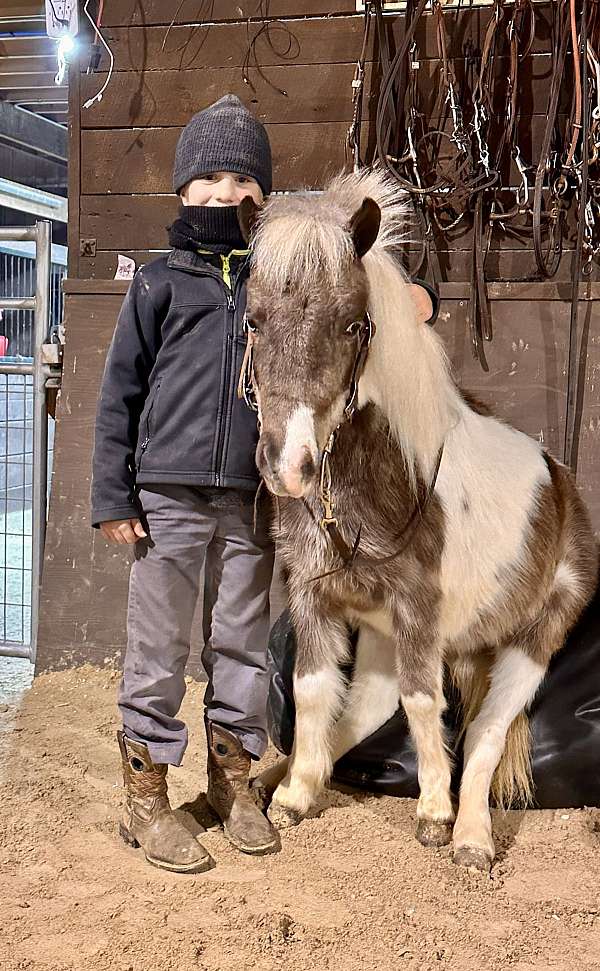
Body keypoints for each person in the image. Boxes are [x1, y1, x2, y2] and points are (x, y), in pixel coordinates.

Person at [91, 94, 439, 875]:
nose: (224, 192)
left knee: (241, 644)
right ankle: (145, 797)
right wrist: (113, 497)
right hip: (169, 497)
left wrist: (420, 297)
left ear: (265, 196)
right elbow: (119, 394)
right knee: (157, 646)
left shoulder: (277, 265)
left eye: (242, 179)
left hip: (252, 500)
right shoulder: (158, 284)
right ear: (181, 190)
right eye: (208, 177)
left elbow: (354, 265)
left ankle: (232, 782)